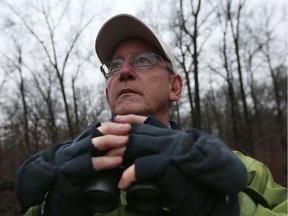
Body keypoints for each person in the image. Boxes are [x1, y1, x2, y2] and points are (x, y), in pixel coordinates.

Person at [15, 14, 286, 216]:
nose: (124, 72)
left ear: (174, 87)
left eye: (143, 60)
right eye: (114, 65)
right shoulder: (71, 173)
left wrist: (226, 207)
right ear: (108, 93)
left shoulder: (241, 170)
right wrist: (49, 210)